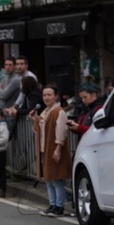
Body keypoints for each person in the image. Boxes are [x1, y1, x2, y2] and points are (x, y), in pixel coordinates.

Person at [32, 83, 71, 216]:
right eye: (44, 95)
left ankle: (59, 206)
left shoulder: (59, 111)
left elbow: (61, 131)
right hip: (45, 149)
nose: (46, 98)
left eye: (49, 95)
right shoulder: (45, 112)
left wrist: (58, 148)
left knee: (56, 178)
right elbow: (38, 131)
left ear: (56, 96)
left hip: (53, 149)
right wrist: (35, 120)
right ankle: (52, 204)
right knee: (48, 179)